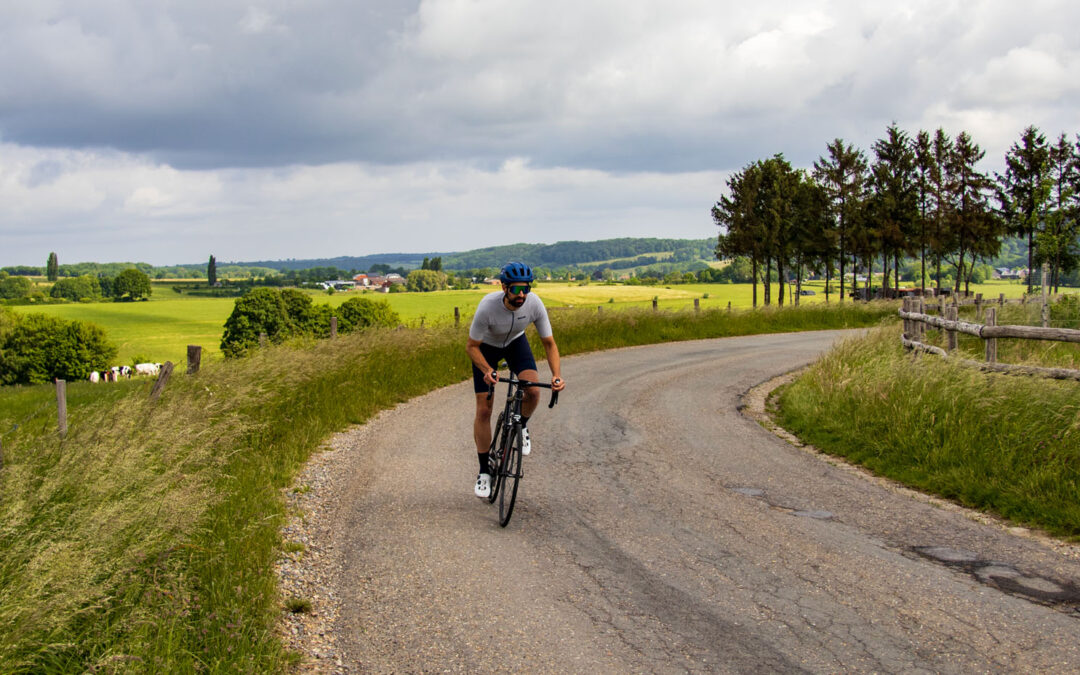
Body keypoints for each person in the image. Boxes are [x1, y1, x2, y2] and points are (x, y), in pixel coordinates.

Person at [467, 261, 565, 498]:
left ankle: (522, 425)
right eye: (517, 289)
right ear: (504, 287)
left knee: (533, 391)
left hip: (515, 344)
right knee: (484, 411)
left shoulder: (534, 304)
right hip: (487, 349)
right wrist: (487, 370)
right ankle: (484, 473)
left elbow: (549, 344)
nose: (522, 295)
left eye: (526, 289)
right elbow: (471, 347)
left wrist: (556, 376)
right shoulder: (487, 307)